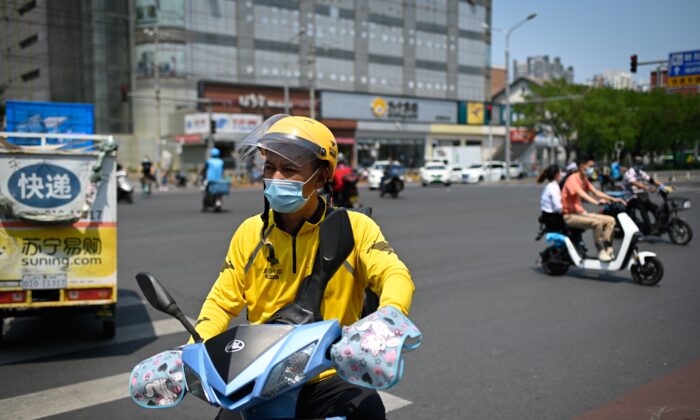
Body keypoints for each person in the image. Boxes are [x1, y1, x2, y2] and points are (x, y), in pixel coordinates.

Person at [192, 115, 415, 420]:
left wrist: (388, 317)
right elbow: (221, 301)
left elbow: (394, 274)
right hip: (259, 373)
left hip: (331, 374)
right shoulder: (249, 233)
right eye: (270, 167)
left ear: (321, 178)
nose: (276, 177)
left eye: (290, 169)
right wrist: (192, 349)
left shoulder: (356, 227)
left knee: (368, 411)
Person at [561, 156, 625, 262]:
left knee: (611, 220)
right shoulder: (572, 179)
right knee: (597, 223)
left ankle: (607, 247)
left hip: (580, 213)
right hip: (570, 216)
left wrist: (614, 199)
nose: (592, 169)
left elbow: (595, 192)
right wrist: (596, 202)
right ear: (582, 166)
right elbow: (581, 193)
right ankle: (600, 251)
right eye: (590, 166)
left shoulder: (584, 179)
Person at [623, 156, 662, 235]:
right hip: (630, 197)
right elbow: (634, 183)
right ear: (634, 164)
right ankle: (647, 228)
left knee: (656, 208)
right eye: (638, 164)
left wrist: (663, 186)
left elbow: (650, 179)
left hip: (641, 196)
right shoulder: (629, 173)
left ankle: (657, 226)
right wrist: (648, 188)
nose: (640, 166)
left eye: (640, 164)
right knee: (643, 207)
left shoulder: (640, 172)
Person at [537, 164, 565, 232]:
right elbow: (558, 207)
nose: (561, 175)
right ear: (556, 175)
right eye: (560, 173)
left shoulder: (550, 186)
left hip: (548, 217)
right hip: (553, 219)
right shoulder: (553, 187)